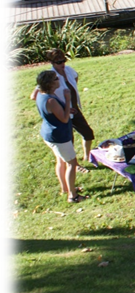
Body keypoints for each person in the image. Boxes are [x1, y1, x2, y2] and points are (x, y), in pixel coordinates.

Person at [30, 49, 95, 171]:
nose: (62, 64)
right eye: (59, 62)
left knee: (87, 133)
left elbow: (75, 78)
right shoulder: (50, 76)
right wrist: (55, 102)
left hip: (74, 109)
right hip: (62, 113)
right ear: (52, 63)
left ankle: (87, 156)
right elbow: (35, 95)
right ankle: (74, 164)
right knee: (68, 140)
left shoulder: (68, 70)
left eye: (63, 60)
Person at [35, 70, 86, 203]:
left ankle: (65, 188)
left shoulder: (41, 95)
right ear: (51, 84)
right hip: (59, 137)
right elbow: (64, 119)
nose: (59, 80)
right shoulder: (51, 100)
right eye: (56, 79)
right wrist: (68, 99)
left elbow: (54, 113)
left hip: (48, 134)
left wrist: (67, 109)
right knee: (71, 163)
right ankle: (73, 195)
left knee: (61, 161)